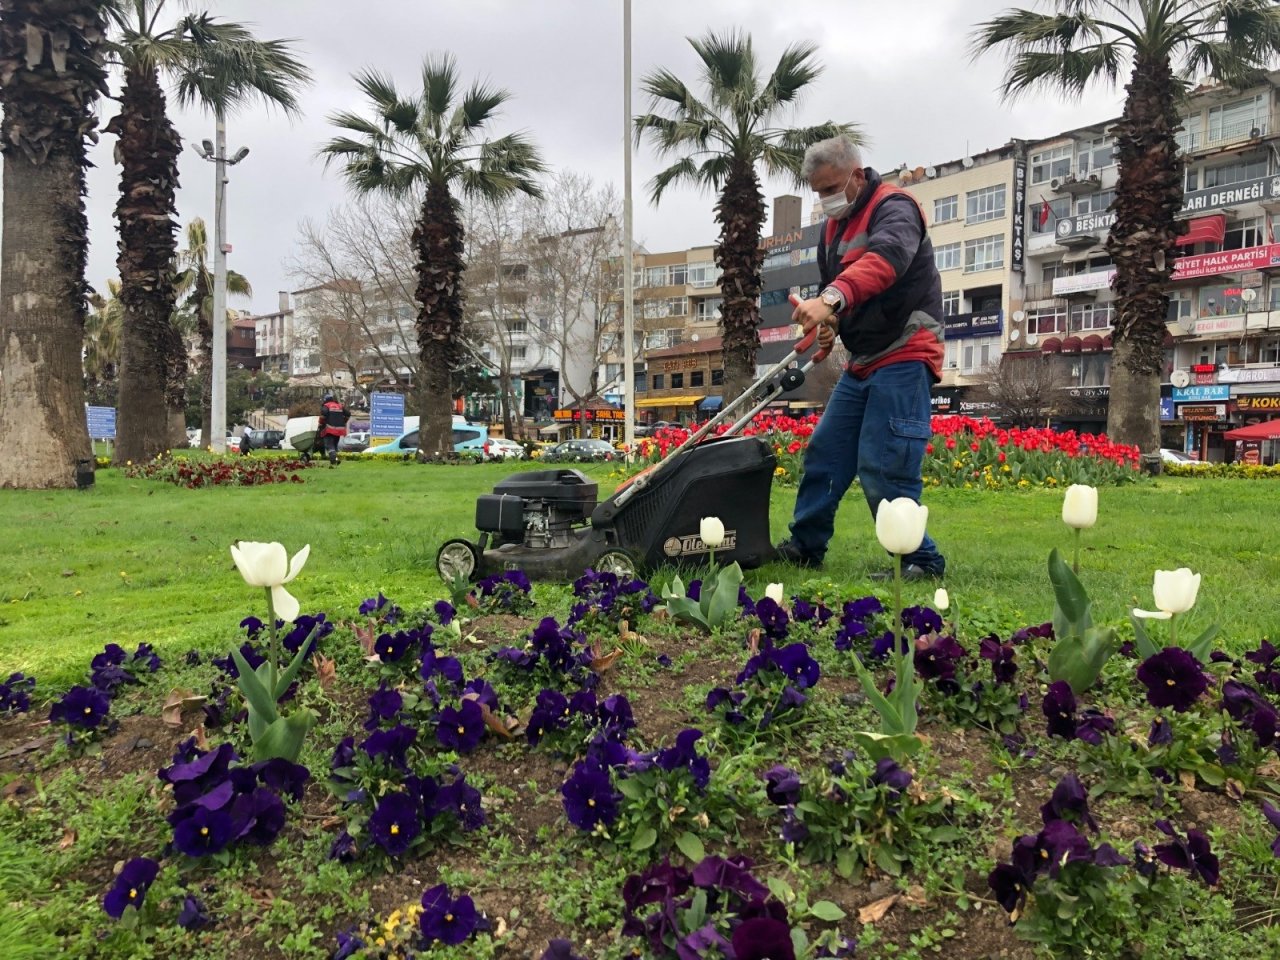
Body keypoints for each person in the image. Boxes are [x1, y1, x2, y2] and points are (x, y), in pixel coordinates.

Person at [774, 135, 946, 582]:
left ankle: (920, 561)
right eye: (818, 192)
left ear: (856, 174)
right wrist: (830, 324)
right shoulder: (834, 229)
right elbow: (845, 287)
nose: (826, 199)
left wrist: (829, 299)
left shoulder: (896, 207)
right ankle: (805, 546)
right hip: (865, 358)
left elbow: (886, 259)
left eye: (831, 188)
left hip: (906, 351)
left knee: (885, 459)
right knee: (825, 452)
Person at [318, 393, 349, 467]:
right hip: (339, 430)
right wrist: (344, 422)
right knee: (334, 446)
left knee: (329, 445)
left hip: (330, 429)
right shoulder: (339, 406)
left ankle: (333, 461)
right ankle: (336, 460)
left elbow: (323, 415)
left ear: (325, 400)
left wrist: (320, 423)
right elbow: (348, 414)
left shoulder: (326, 406)